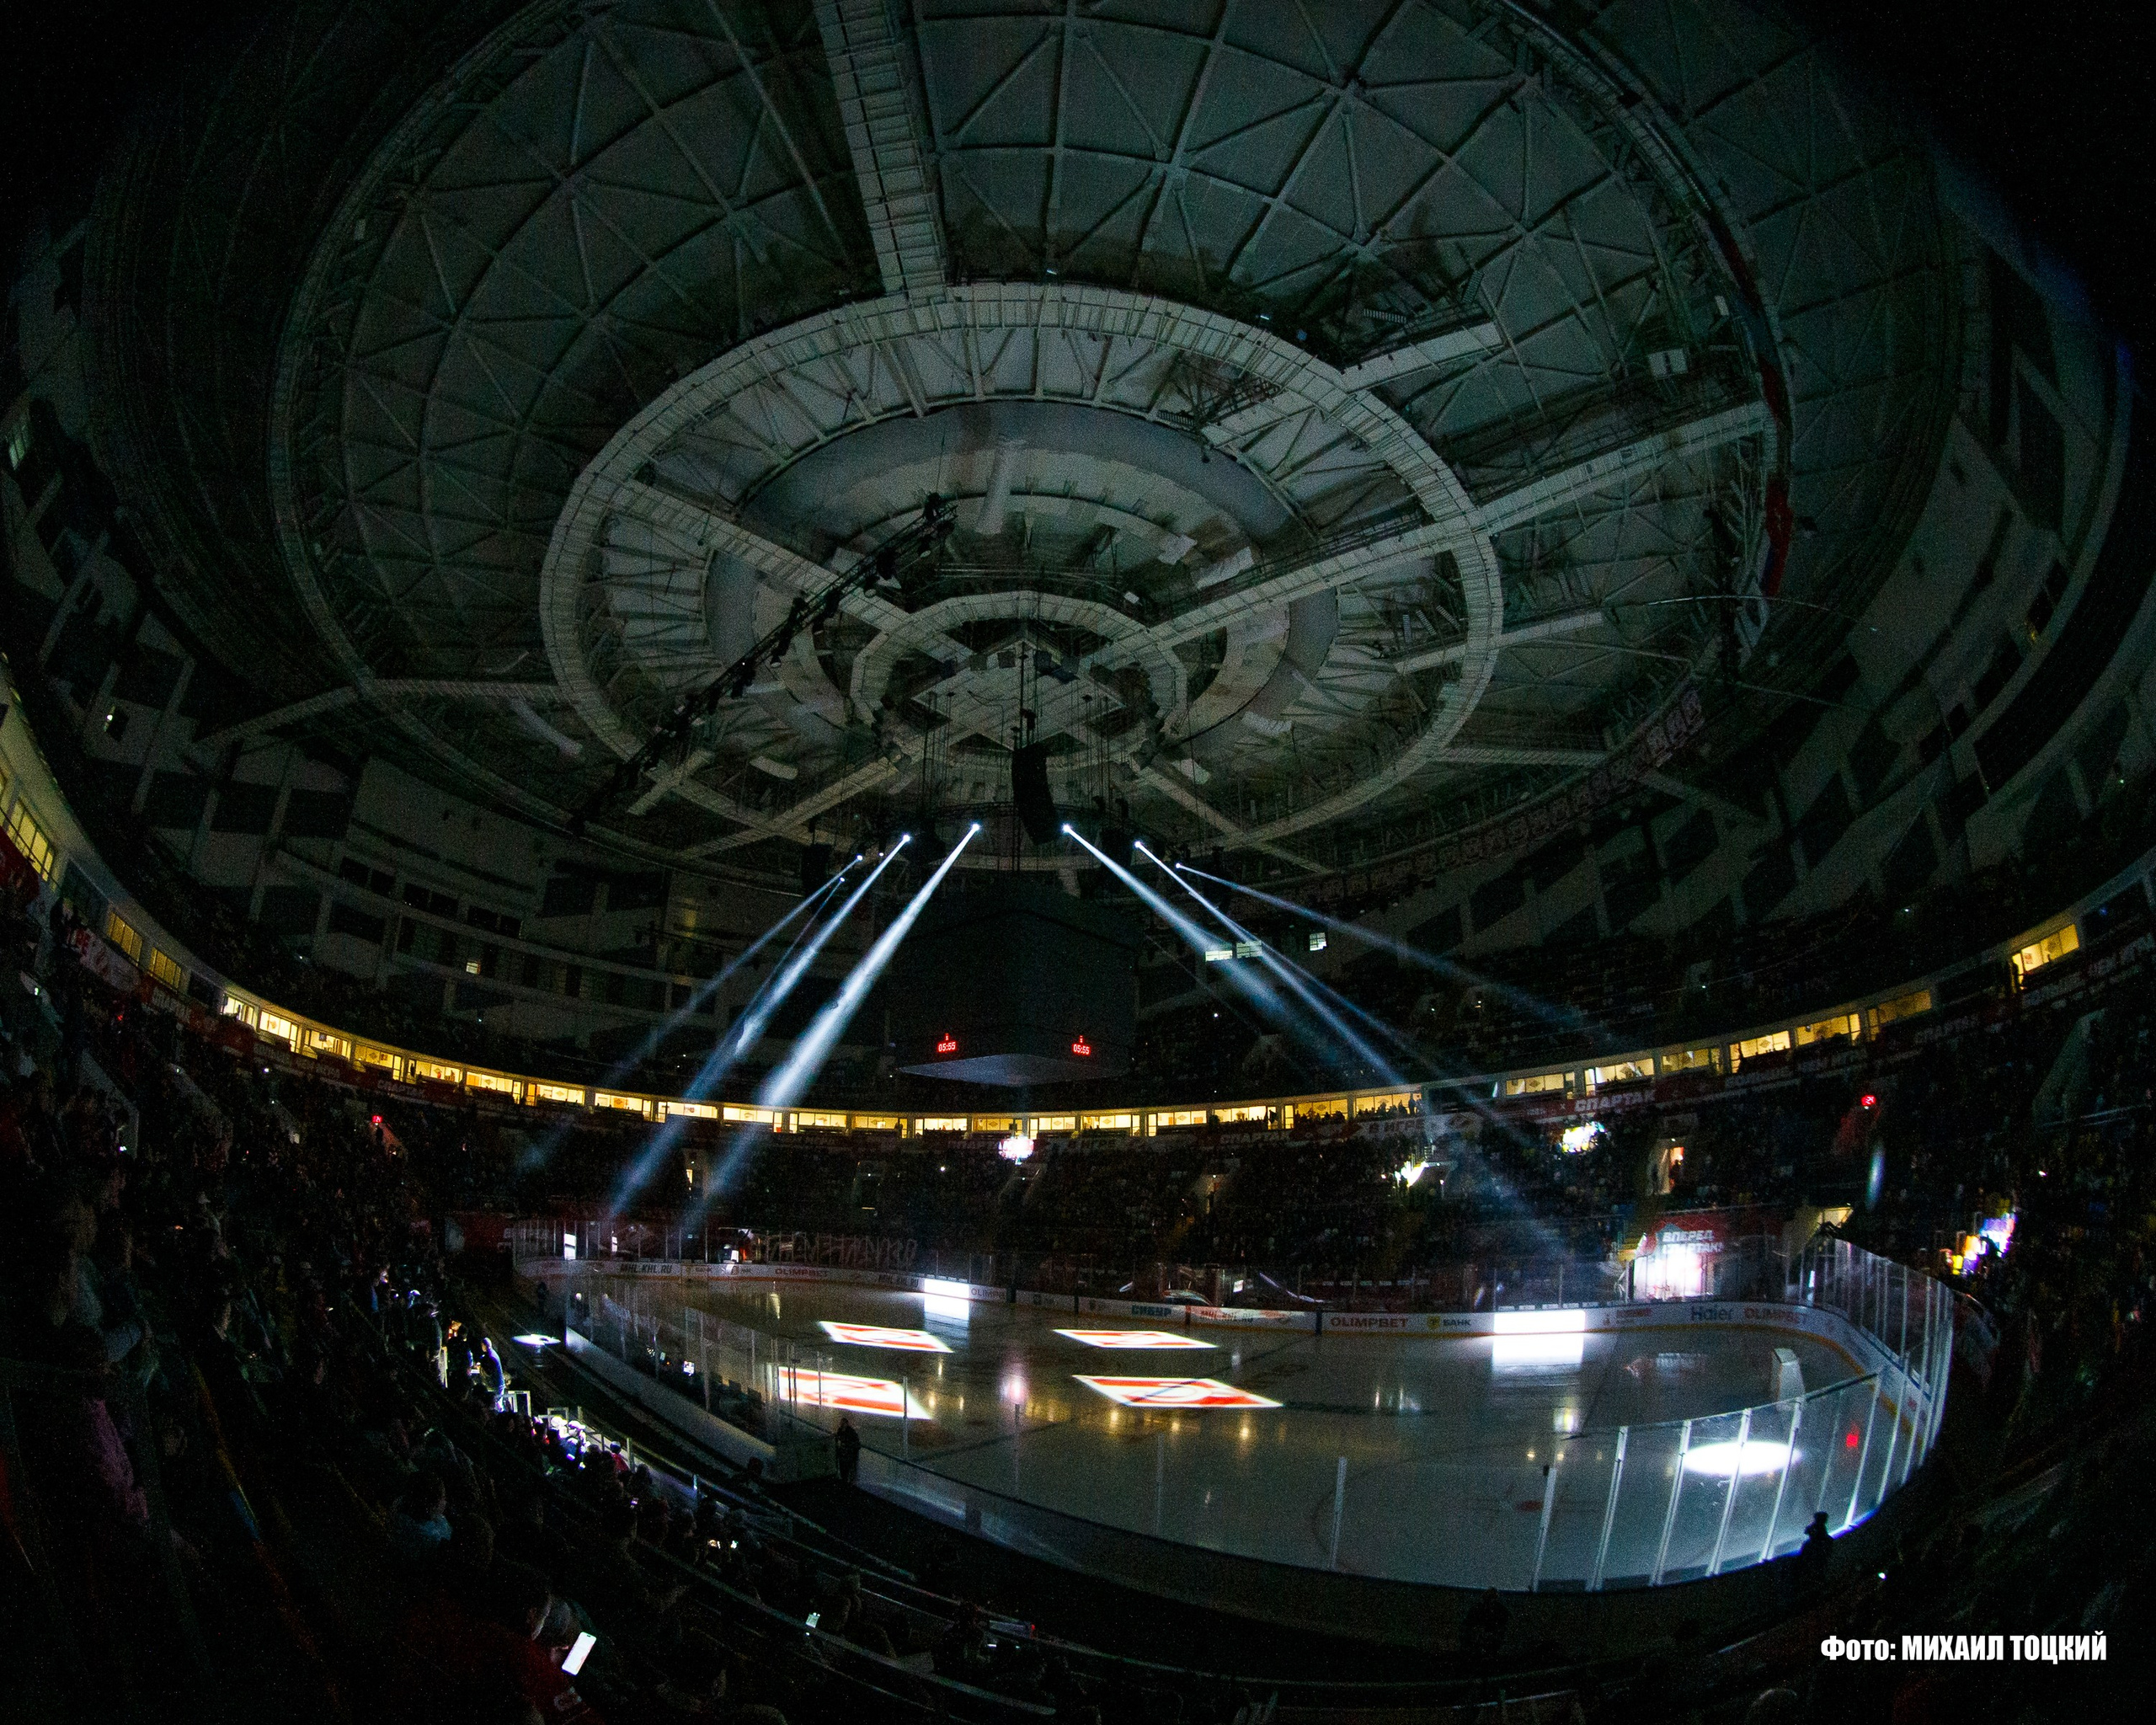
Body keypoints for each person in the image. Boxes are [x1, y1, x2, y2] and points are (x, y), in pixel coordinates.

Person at [833, 1414, 861, 1485]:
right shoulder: (841, 1431)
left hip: (848, 1456)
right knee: (844, 1471)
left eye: (843, 1423)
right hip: (844, 1456)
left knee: (847, 1471)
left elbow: (856, 1444)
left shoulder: (851, 1432)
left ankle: (847, 1483)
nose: (842, 1425)